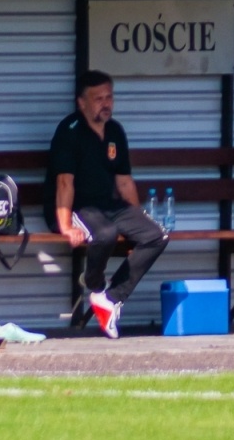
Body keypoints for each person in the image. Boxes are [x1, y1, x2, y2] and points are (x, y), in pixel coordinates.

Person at [46, 70, 169, 339]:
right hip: (77, 207)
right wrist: (65, 226)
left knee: (156, 236)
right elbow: (65, 183)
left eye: (109, 97)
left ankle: (110, 298)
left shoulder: (115, 131)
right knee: (106, 234)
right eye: (98, 98)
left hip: (109, 206)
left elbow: (124, 182)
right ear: (82, 103)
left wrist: (138, 221)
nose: (106, 104)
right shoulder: (69, 131)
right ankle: (94, 282)